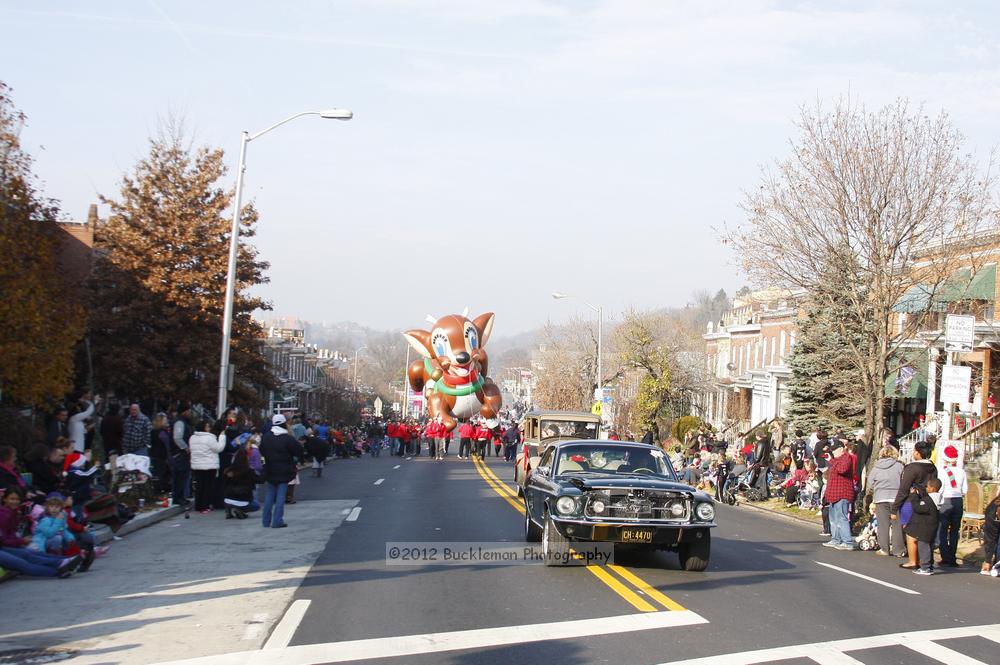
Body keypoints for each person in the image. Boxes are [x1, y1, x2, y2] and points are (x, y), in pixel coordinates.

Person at [0, 488, 80, 578]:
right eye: (12, 499)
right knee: (23, 563)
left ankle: (67, 561)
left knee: (29, 554)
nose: (15, 502)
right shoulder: (4, 514)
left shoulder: (12, 512)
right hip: (4, 546)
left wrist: (20, 541)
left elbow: (8, 537)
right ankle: (60, 569)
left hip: (6, 546)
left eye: (17, 499)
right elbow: (4, 540)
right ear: (5, 499)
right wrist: (21, 541)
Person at [891, 439, 938, 570]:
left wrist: (895, 508)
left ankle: (913, 560)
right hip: (928, 501)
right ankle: (924, 559)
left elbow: (903, 488)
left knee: (911, 532)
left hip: (911, 501)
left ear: (918, 453)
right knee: (923, 532)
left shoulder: (912, 468)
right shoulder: (933, 467)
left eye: (914, 451)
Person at [259, 414, 303, 529]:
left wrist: (265, 462)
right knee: (281, 495)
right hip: (284, 469)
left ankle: (265, 521)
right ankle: (277, 520)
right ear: (284, 423)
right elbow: (299, 451)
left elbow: (261, 452)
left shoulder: (266, 437)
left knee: (269, 495)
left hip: (270, 468)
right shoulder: (287, 438)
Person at [868, 444, 906, 557]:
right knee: (897, 525)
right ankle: (899, 550)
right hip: (896, 498)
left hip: (880, 497)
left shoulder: (876, 467)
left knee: (883, 524)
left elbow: (870, 484)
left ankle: (884, 549)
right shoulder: (899, 466)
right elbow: (904, 480)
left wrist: (874, 491)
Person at [936, 444, 967, 568]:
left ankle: (946, 557)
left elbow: (940, 489)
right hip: (958, 501)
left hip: (945, 501)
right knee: (954, 531)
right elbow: (965, 489)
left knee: (942, 530)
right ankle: (952, 557)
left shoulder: (941, 471)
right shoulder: (962, 471)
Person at [823, 440, 856, 551]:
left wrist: (832, 461)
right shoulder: (836, 460)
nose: (833, 452)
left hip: (842, 493)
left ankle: (847, 542)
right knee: (833, 519)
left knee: (842, 518)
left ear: (841, 449)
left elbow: (842, 469)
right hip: (833, 493)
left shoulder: (846, 458)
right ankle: (836, 539)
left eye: (834, 450)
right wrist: (832, 460)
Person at [906, 477, 941, 575]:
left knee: (924, 546)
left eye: (928, 487)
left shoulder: (930, 500)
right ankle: (929, 566)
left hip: (926, 527)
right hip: (932, 525)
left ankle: (925, 567)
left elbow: (918, 508)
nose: (926, 488)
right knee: (929, 545)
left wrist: (914, 496)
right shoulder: (939, 498)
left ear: (933, 488)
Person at [189, 419, 224, 514]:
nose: (209, 428)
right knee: (207, 486)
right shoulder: (209, 438)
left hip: (197, 465)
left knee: (199, 485)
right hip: (209, 465)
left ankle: (199, 505)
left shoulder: (192, 438)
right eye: (208, 426)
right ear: (204, 428)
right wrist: (222, 437)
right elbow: (218, 448)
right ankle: (205, 505)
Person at [224, 448, 260, 519]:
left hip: (228, 498)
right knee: (256, 506)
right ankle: (241, 509)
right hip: (243, 497)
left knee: (231, 499)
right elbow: (259, 480)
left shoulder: (228, 471)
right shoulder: (249, 471)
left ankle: (229, 508)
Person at [170, 404, 193, 507]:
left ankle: (181, 497)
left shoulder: (183, 422)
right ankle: (178, 497)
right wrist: (185, 448)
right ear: (184, 411)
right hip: (180, 454)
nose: (190, 413)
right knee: (180, 476)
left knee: (182, 476)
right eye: (188, 411)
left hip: (181, 454)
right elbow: (177, 438)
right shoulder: (180, 422)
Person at [981, 490, 1000, 576]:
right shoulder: (992, 512)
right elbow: (990, 539)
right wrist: (987, 560)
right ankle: (989, 565)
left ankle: (996, 564)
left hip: (993, 519)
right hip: (992, 522)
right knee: (993, 541)